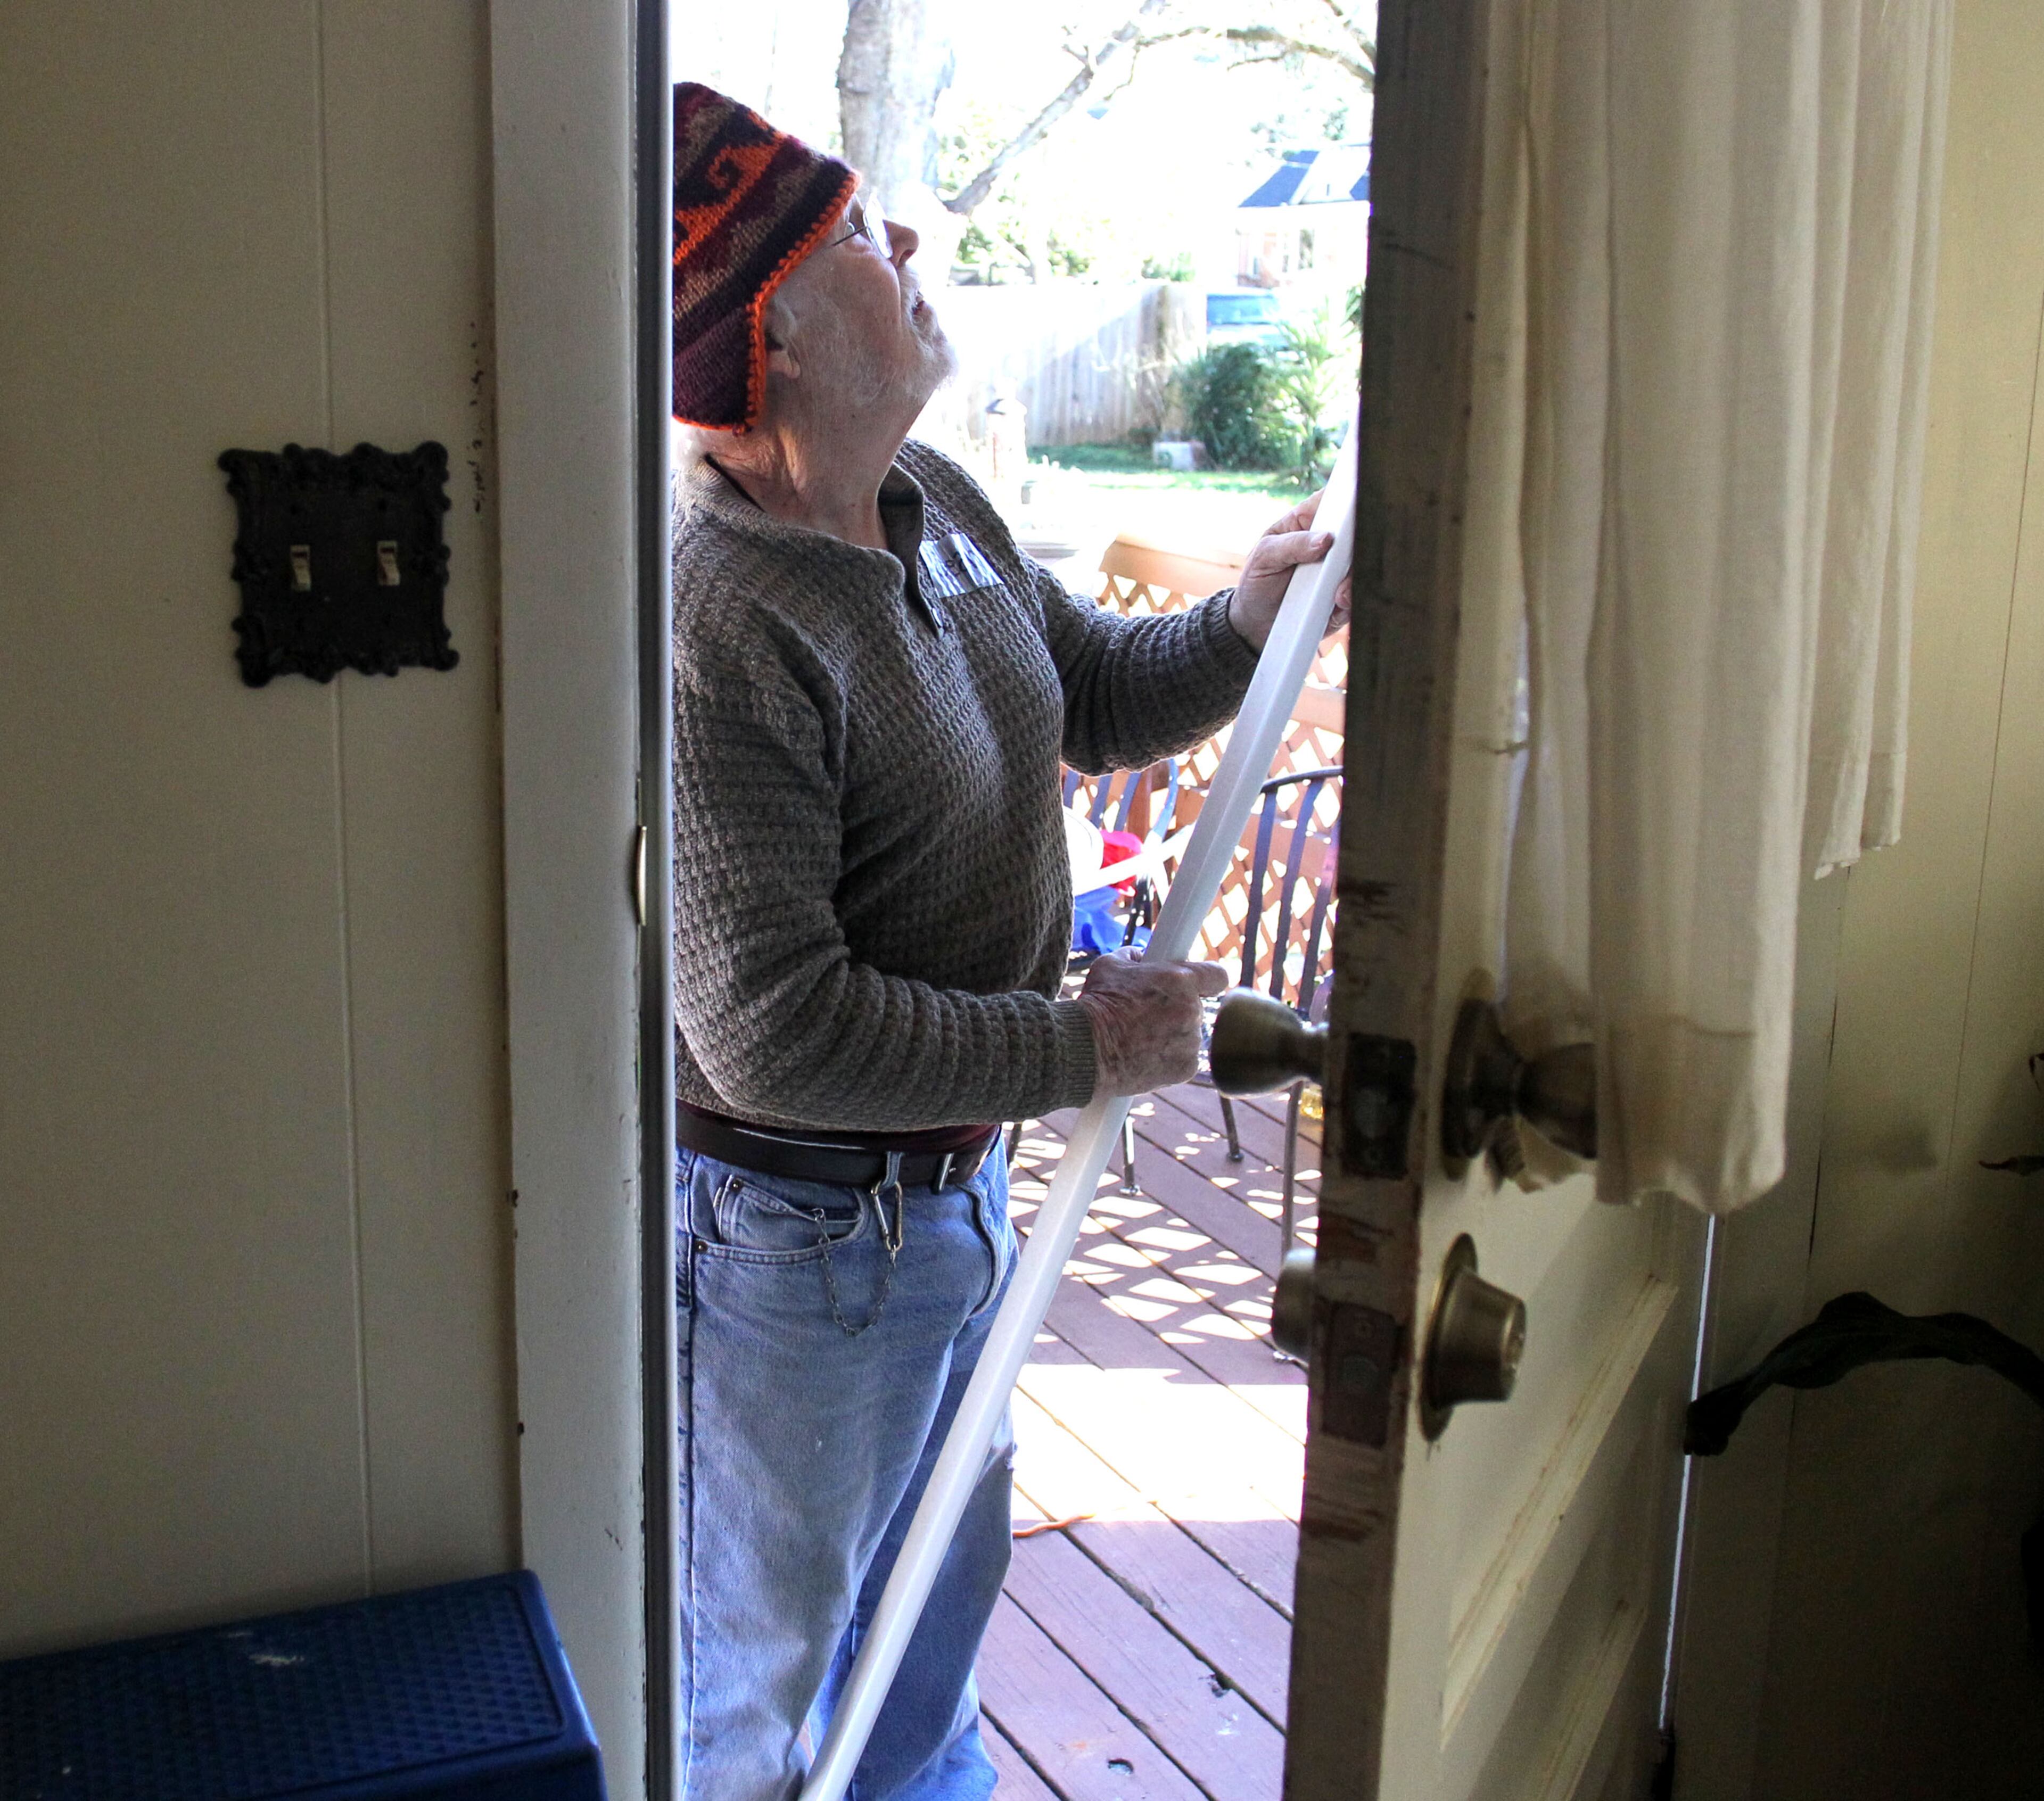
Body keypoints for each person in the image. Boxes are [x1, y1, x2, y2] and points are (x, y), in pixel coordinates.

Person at [666, 84, 1349, 1801]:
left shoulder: (932, 497)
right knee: (759, 1687)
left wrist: (1245, 617)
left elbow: (1099, 692)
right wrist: (1087, 1050)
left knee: (920, 1647)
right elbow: (774, 1032)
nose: (904, 253)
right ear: (783, 343)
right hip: (801, 1248)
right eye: (856, 243)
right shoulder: (718, 617)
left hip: (944, 1206)